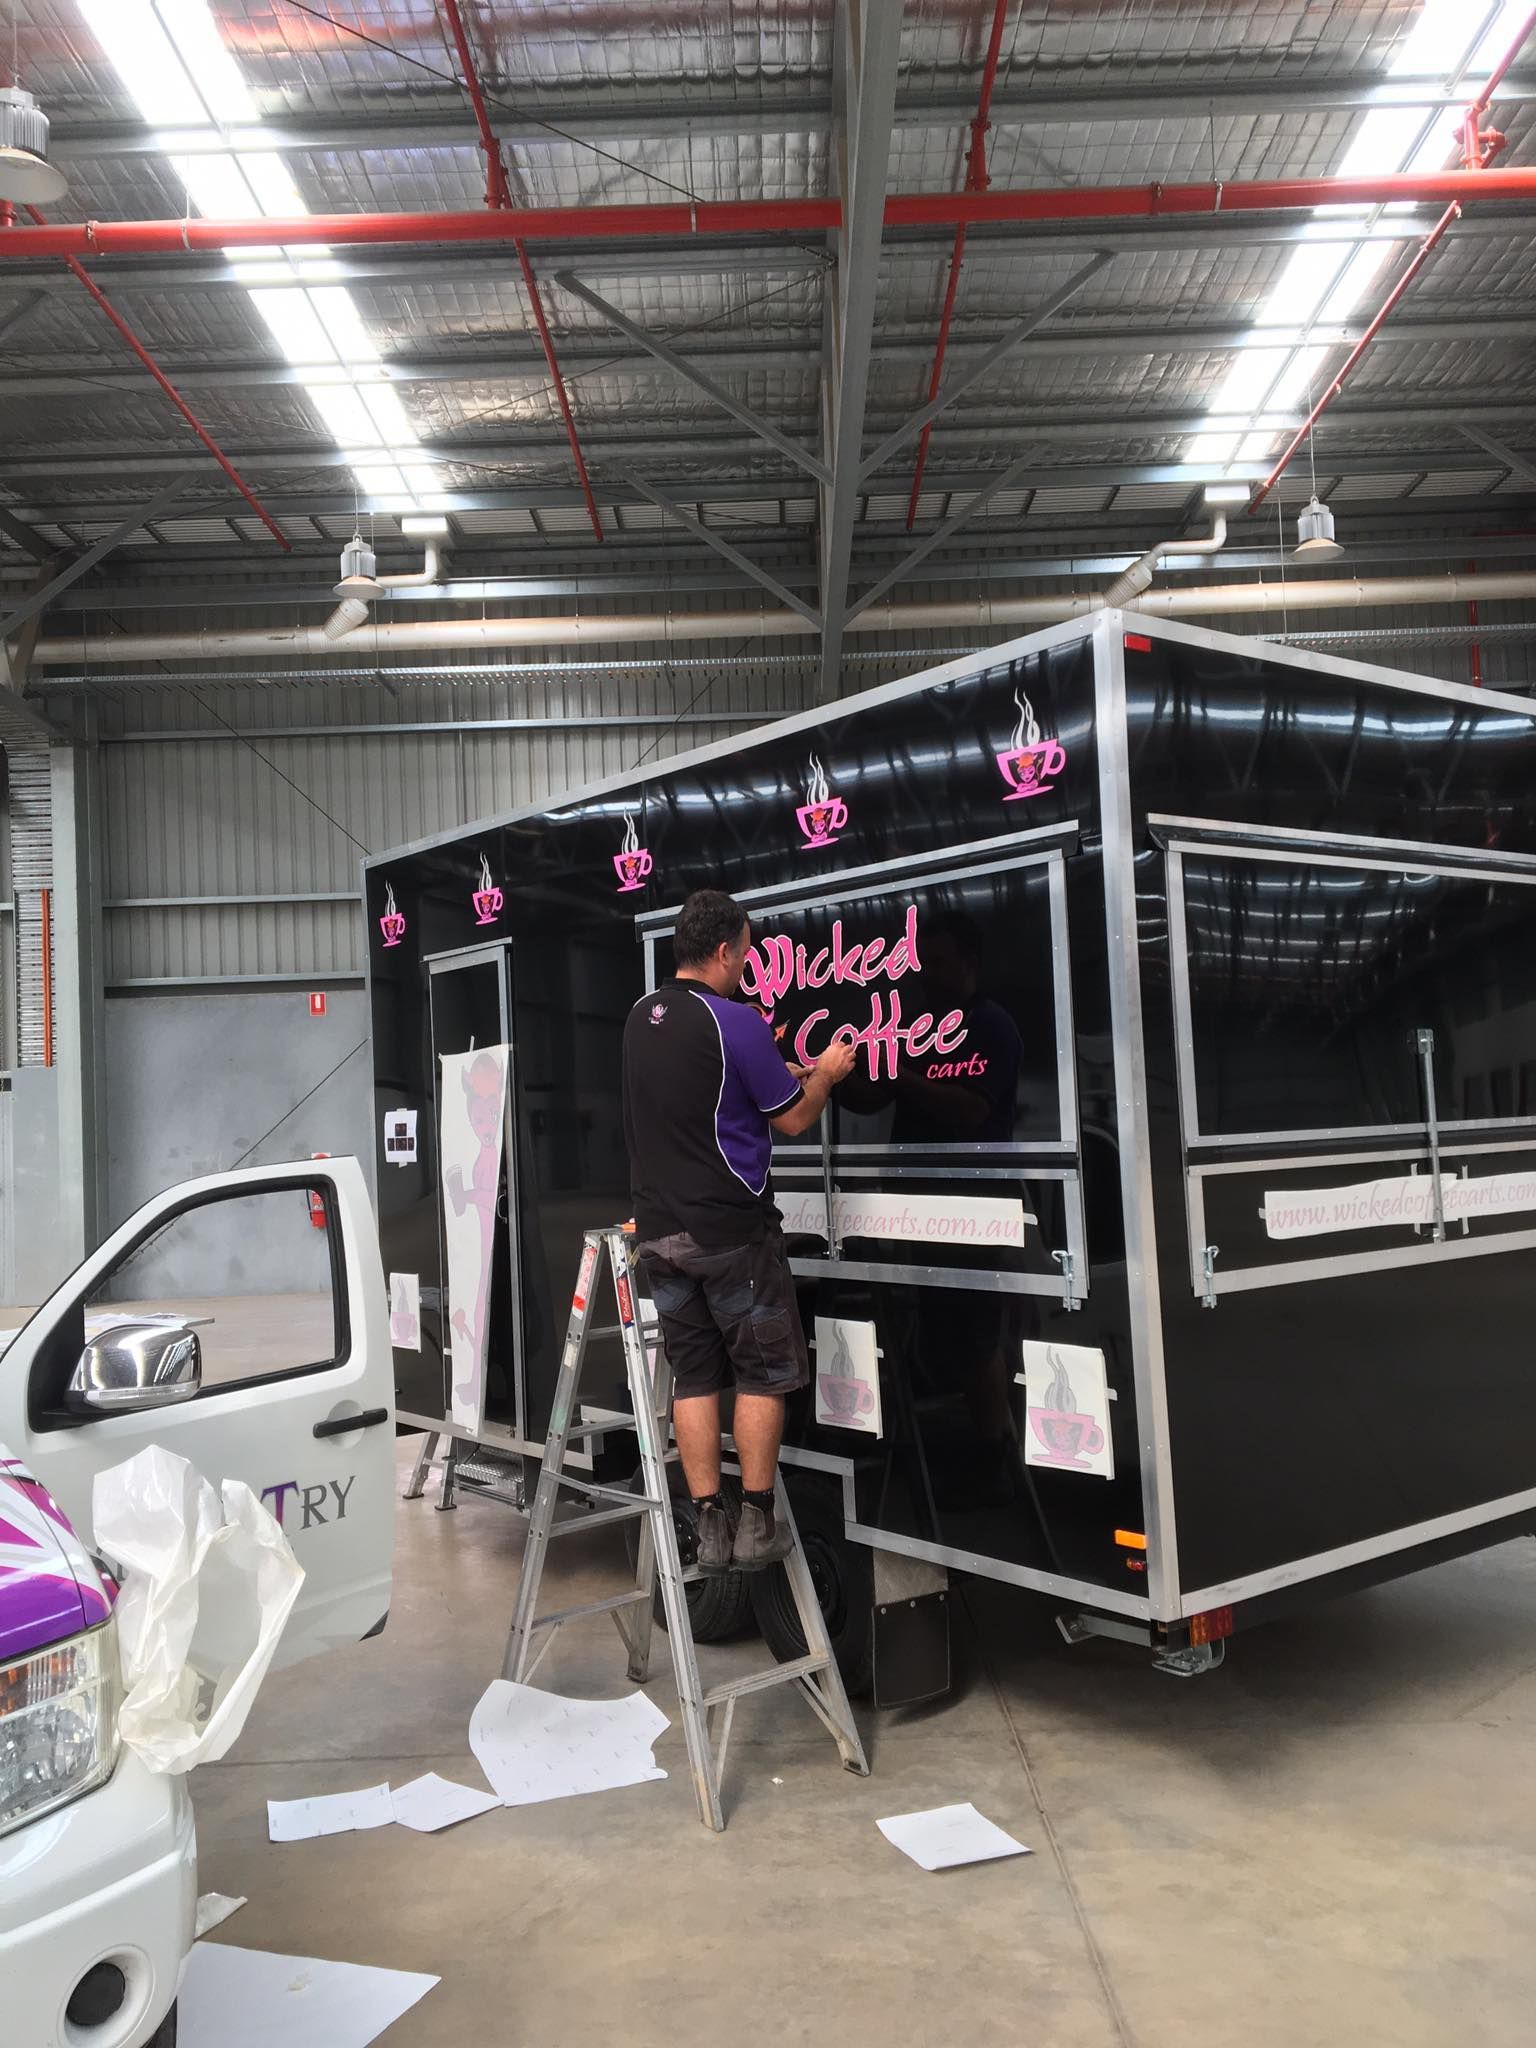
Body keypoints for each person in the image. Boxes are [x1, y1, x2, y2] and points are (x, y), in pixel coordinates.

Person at [622, 889, 856, 1572]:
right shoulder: (737, 1022)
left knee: (694, 1377)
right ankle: (756, 1520)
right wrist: (826, 1076)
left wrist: (772, 1075)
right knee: (761, 1373)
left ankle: (709, 1526)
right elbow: (793, 1118)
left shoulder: (640, 1018)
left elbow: (701, 1098)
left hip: (660, 1234)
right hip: (730, 1235)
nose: (747, 965)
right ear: (724, 950)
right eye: (746, 954)